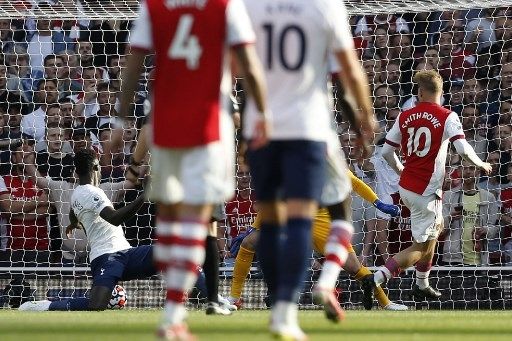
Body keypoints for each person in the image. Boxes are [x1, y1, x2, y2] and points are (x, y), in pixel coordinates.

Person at [119, 1, 267, 339]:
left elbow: (132, 66)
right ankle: (186, 308)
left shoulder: (153, 7)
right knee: (203, 225)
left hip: (167, 126)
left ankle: (178, 313)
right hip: (208, 130)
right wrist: (259, 121)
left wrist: (118, 120)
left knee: (175, 223)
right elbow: (250, 66)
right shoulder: (225, 8)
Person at [243, 1, 375, 337]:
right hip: (308, 129)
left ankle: (278, 308)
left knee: (271, 224)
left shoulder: (247, 6)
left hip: (261, 128)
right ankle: (303, 299)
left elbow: (242, 71)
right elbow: (347, 75)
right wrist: (364, 122)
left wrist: (243, 132)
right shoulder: (324, 7)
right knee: (317, 216)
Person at [362, 70, 492, 309]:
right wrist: (481, 163)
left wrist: (401, 169)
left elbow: (386, 152)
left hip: (408, 187)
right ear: (441, 93)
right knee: (420, 248)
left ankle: (422, 283)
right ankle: (375, 279)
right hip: (425, 192)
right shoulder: (447, 116)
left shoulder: (405, 116)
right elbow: (462, 149)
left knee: (435, 230)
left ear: (420, 92)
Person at [227, 170, 407, 312]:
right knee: (249, 242)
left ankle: (385, 302)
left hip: (321, 218)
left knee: (354, 267)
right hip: (292, 213)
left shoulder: (324, 157)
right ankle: (235, 298)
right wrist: (254, 226)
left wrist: (377, 202)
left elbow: (355, 182)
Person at [18, 148, 151, 311]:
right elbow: (114, 218)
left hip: (125, 252)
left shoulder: (77, 193)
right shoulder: (91, 192)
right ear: (96, 168)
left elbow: (74, 212)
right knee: (96, 305)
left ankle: (179, 298)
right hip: (107, 257)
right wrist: (145, 195)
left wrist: (73, 224)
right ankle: (48, 305)